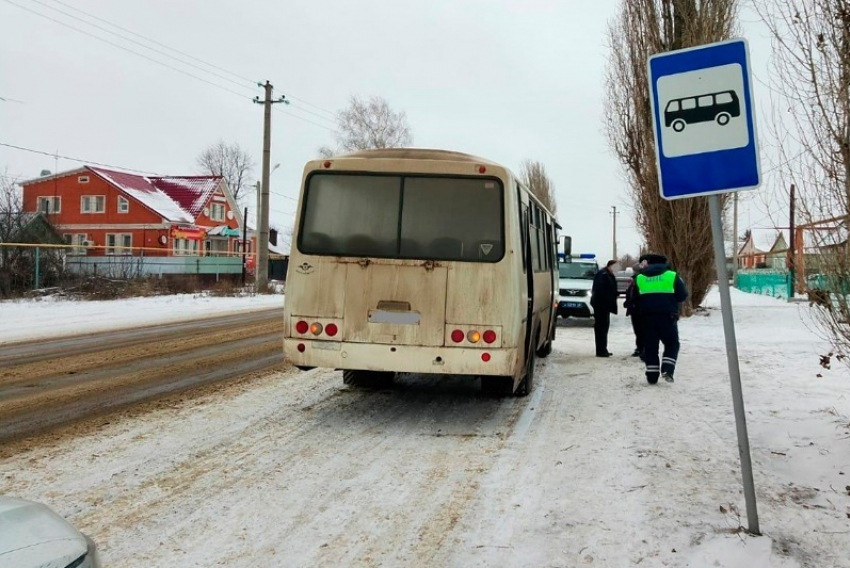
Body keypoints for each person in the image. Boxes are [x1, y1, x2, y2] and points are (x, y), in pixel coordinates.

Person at [635, 253, 688, 384]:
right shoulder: (672, 276)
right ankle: (668, 369)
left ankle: (652, 376)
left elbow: (634, 299)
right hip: (667, 317)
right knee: (672, 343)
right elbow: (682, 296)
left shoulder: (640, 277)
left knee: (650, 346)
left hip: (646, 318)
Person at [590, 259, 619, 357]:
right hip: (601, 306)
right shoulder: (603, 275)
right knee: (601, 328)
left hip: (604, 306)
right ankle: (601, 350)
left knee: (604, 327)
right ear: (610, 266)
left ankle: (603, 349)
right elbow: (600, 291)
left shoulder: (607, 274)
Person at [623, 264, 644, 360]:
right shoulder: (633, 281)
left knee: (641, 330)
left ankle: (642, 349)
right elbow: (630, 293)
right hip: (634, 310)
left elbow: (638, 295)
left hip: (640, 309)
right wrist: (627, 302)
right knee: (637, 330)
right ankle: (639, 347)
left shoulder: (642, 280)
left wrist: (631, 302)